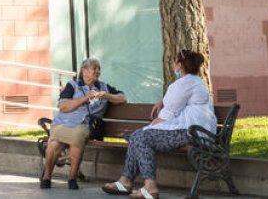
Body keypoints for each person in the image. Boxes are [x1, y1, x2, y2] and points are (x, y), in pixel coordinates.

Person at [102, 49, 215, 199]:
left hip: (191, 133)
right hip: (199, 132)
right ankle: (126, 182)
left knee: (140, 137)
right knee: (138, 136)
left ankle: (147, 186)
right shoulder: (195, 82)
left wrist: (148, 128)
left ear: (179, 65)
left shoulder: (182, 84)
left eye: (175, 62)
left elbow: (168, 115)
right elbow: (177, 103)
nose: (174, 65)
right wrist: (162, 102)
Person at [42, 57, 127, 189]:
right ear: (84, 70)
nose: (98, 71)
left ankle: (71, 178)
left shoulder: (103, 87)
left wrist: (107, 96)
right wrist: (85, 98)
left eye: (99, 68)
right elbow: (63, 106)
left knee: (72, 137)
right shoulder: (73, 85)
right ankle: (48, 177)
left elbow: (123, 98)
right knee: (55, 143)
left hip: (85, 125)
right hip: (63, 123)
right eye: (94, 68)